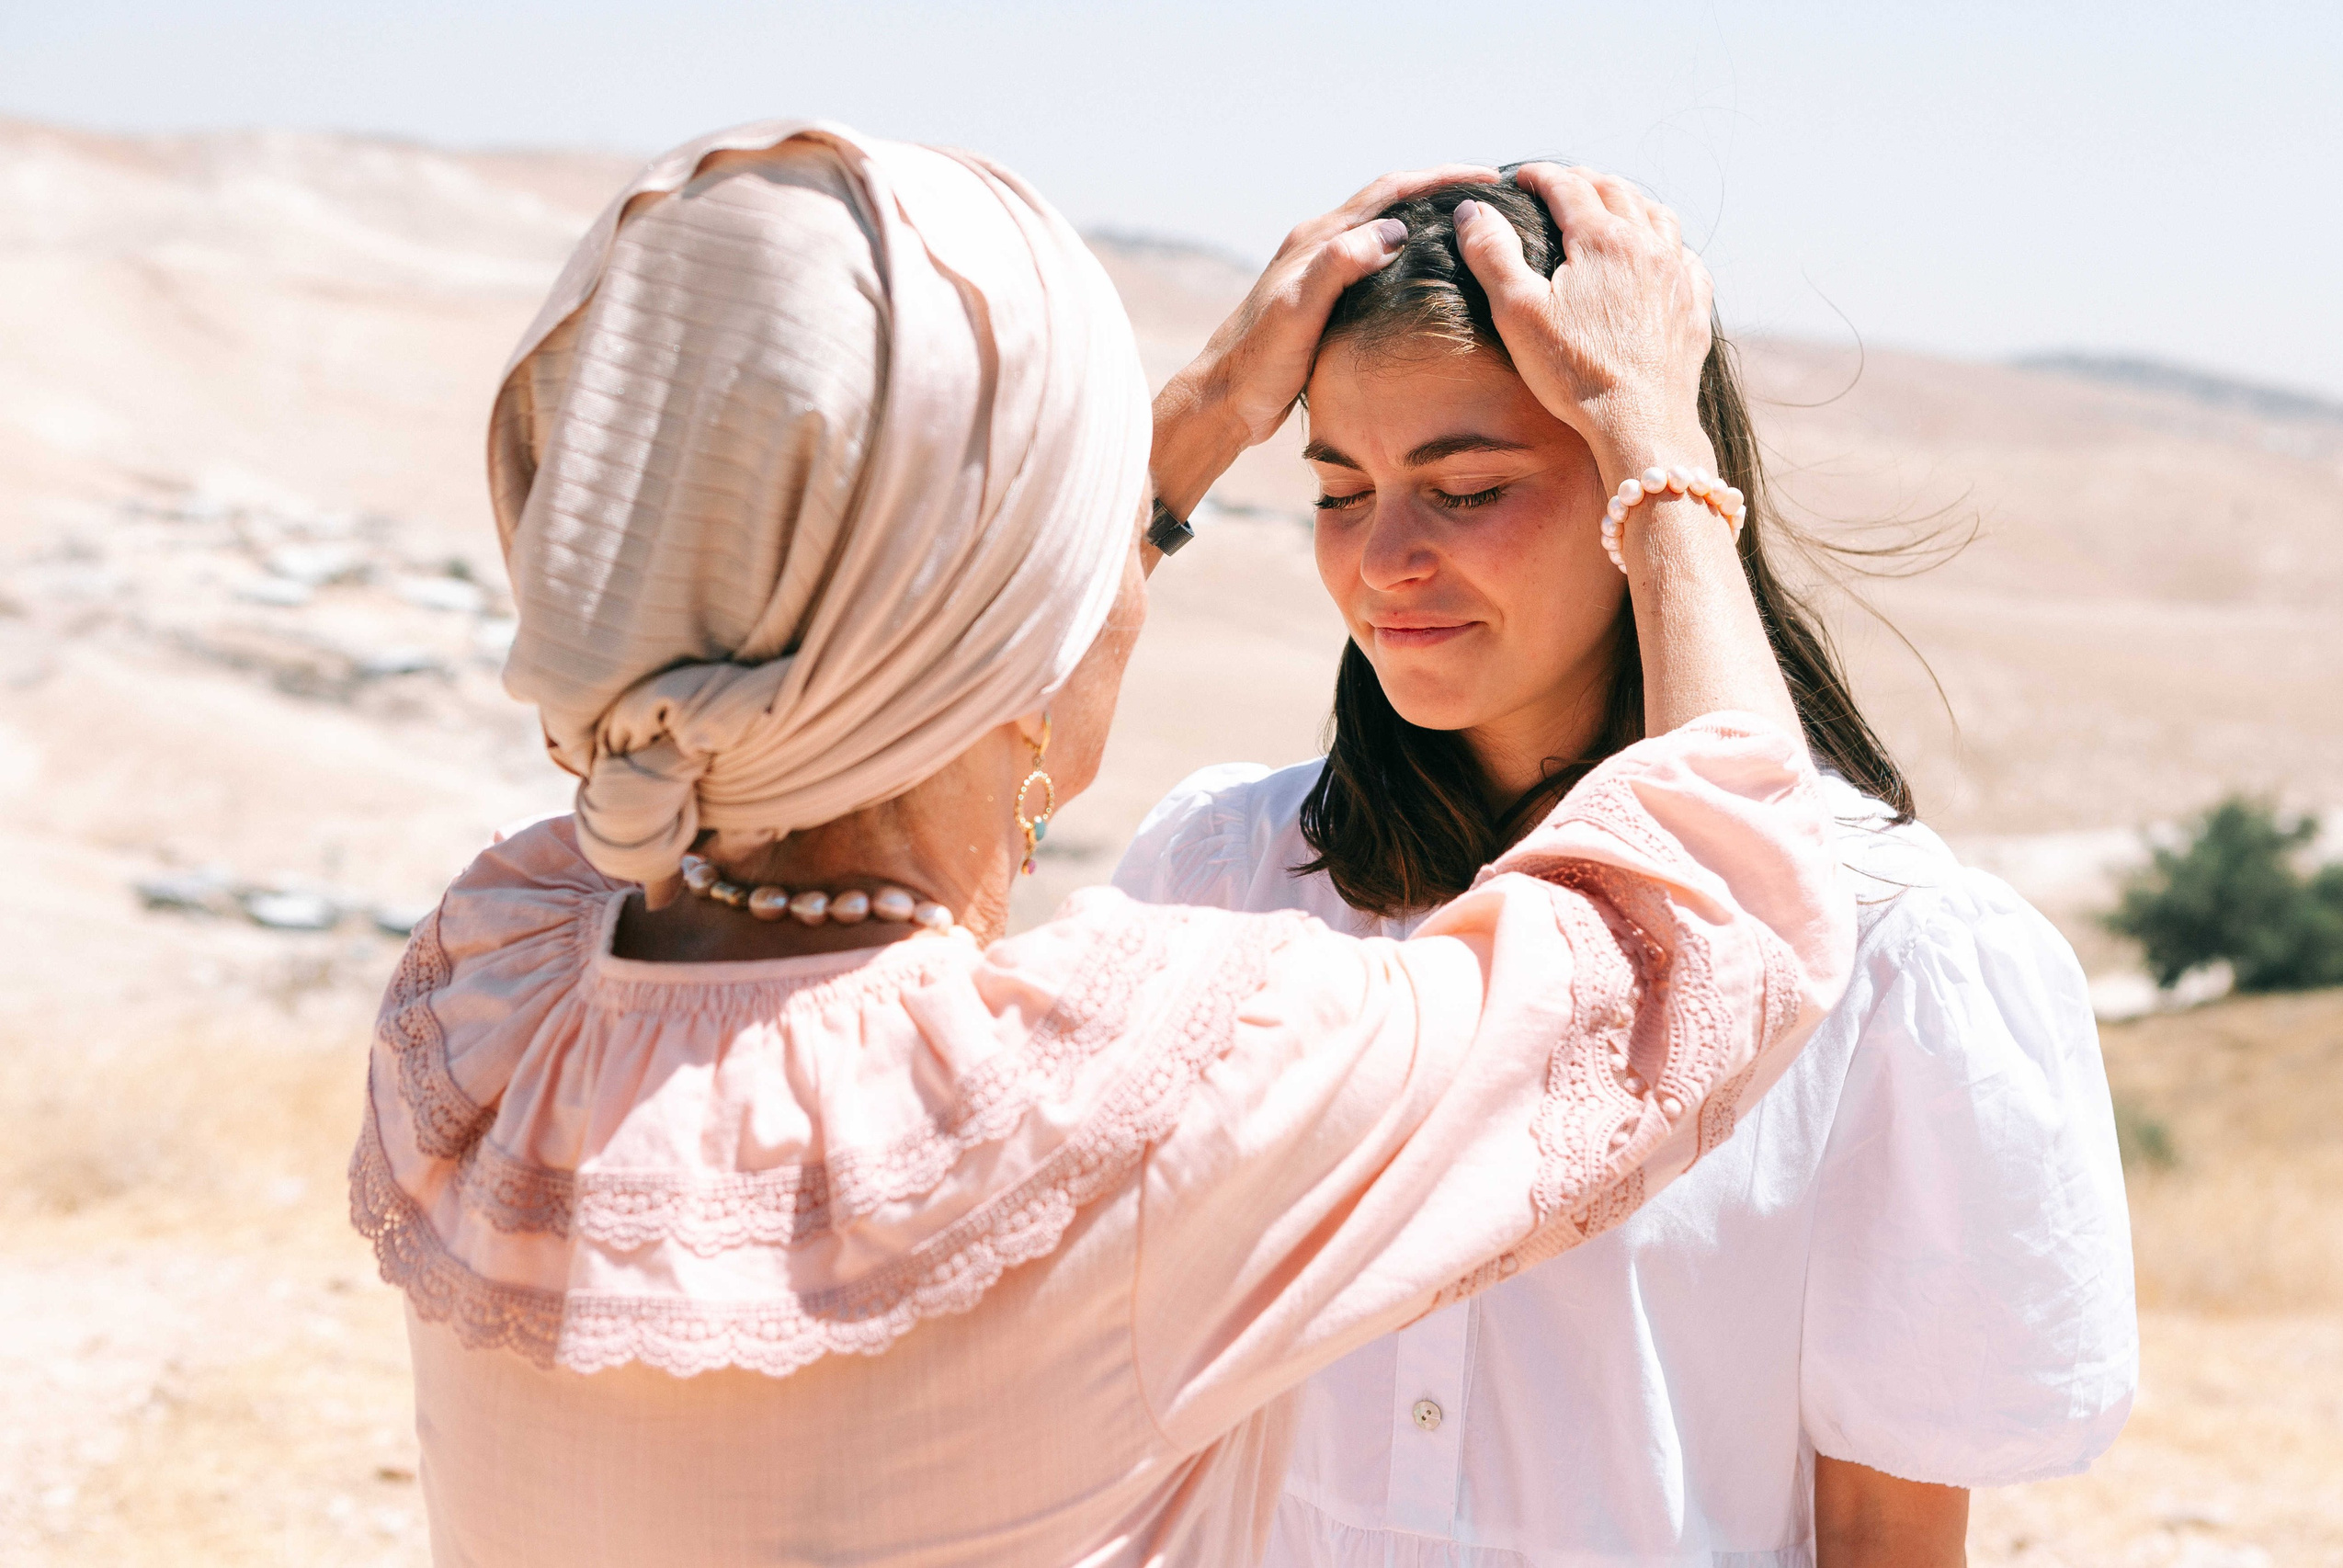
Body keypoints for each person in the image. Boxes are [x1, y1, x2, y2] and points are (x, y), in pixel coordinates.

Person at [348, 122, 1855, 1567]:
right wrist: (1659, 440)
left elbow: (782, 742)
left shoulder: (493, 993)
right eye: (1100, 532)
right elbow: (1718, 917)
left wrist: (1186, 418)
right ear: (995, 644)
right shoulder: (1124, 1101)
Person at [1120, 169, 2138, 1567]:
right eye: (1339, 490)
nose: (1385, 560)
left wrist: (1654, 429)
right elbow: (893, 805)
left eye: (1467, 487)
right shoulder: (1224, 873)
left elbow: (1888, 1540)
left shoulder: (1894, 955)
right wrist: (1193, 428)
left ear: (1640, 488)